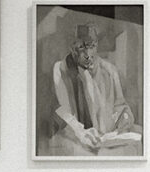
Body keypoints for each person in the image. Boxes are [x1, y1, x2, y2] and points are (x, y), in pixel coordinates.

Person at [48, 24, 142, 156]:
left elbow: (120, 106)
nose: (87, 54)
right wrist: (79, 131)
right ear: (72, 49)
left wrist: (125, 118)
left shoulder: (110, 70)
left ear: (96, 45)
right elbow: (63, 110)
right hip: (78, 137)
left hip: (108, 137)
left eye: (91, 46)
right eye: (81, 48)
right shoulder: (61, 68)